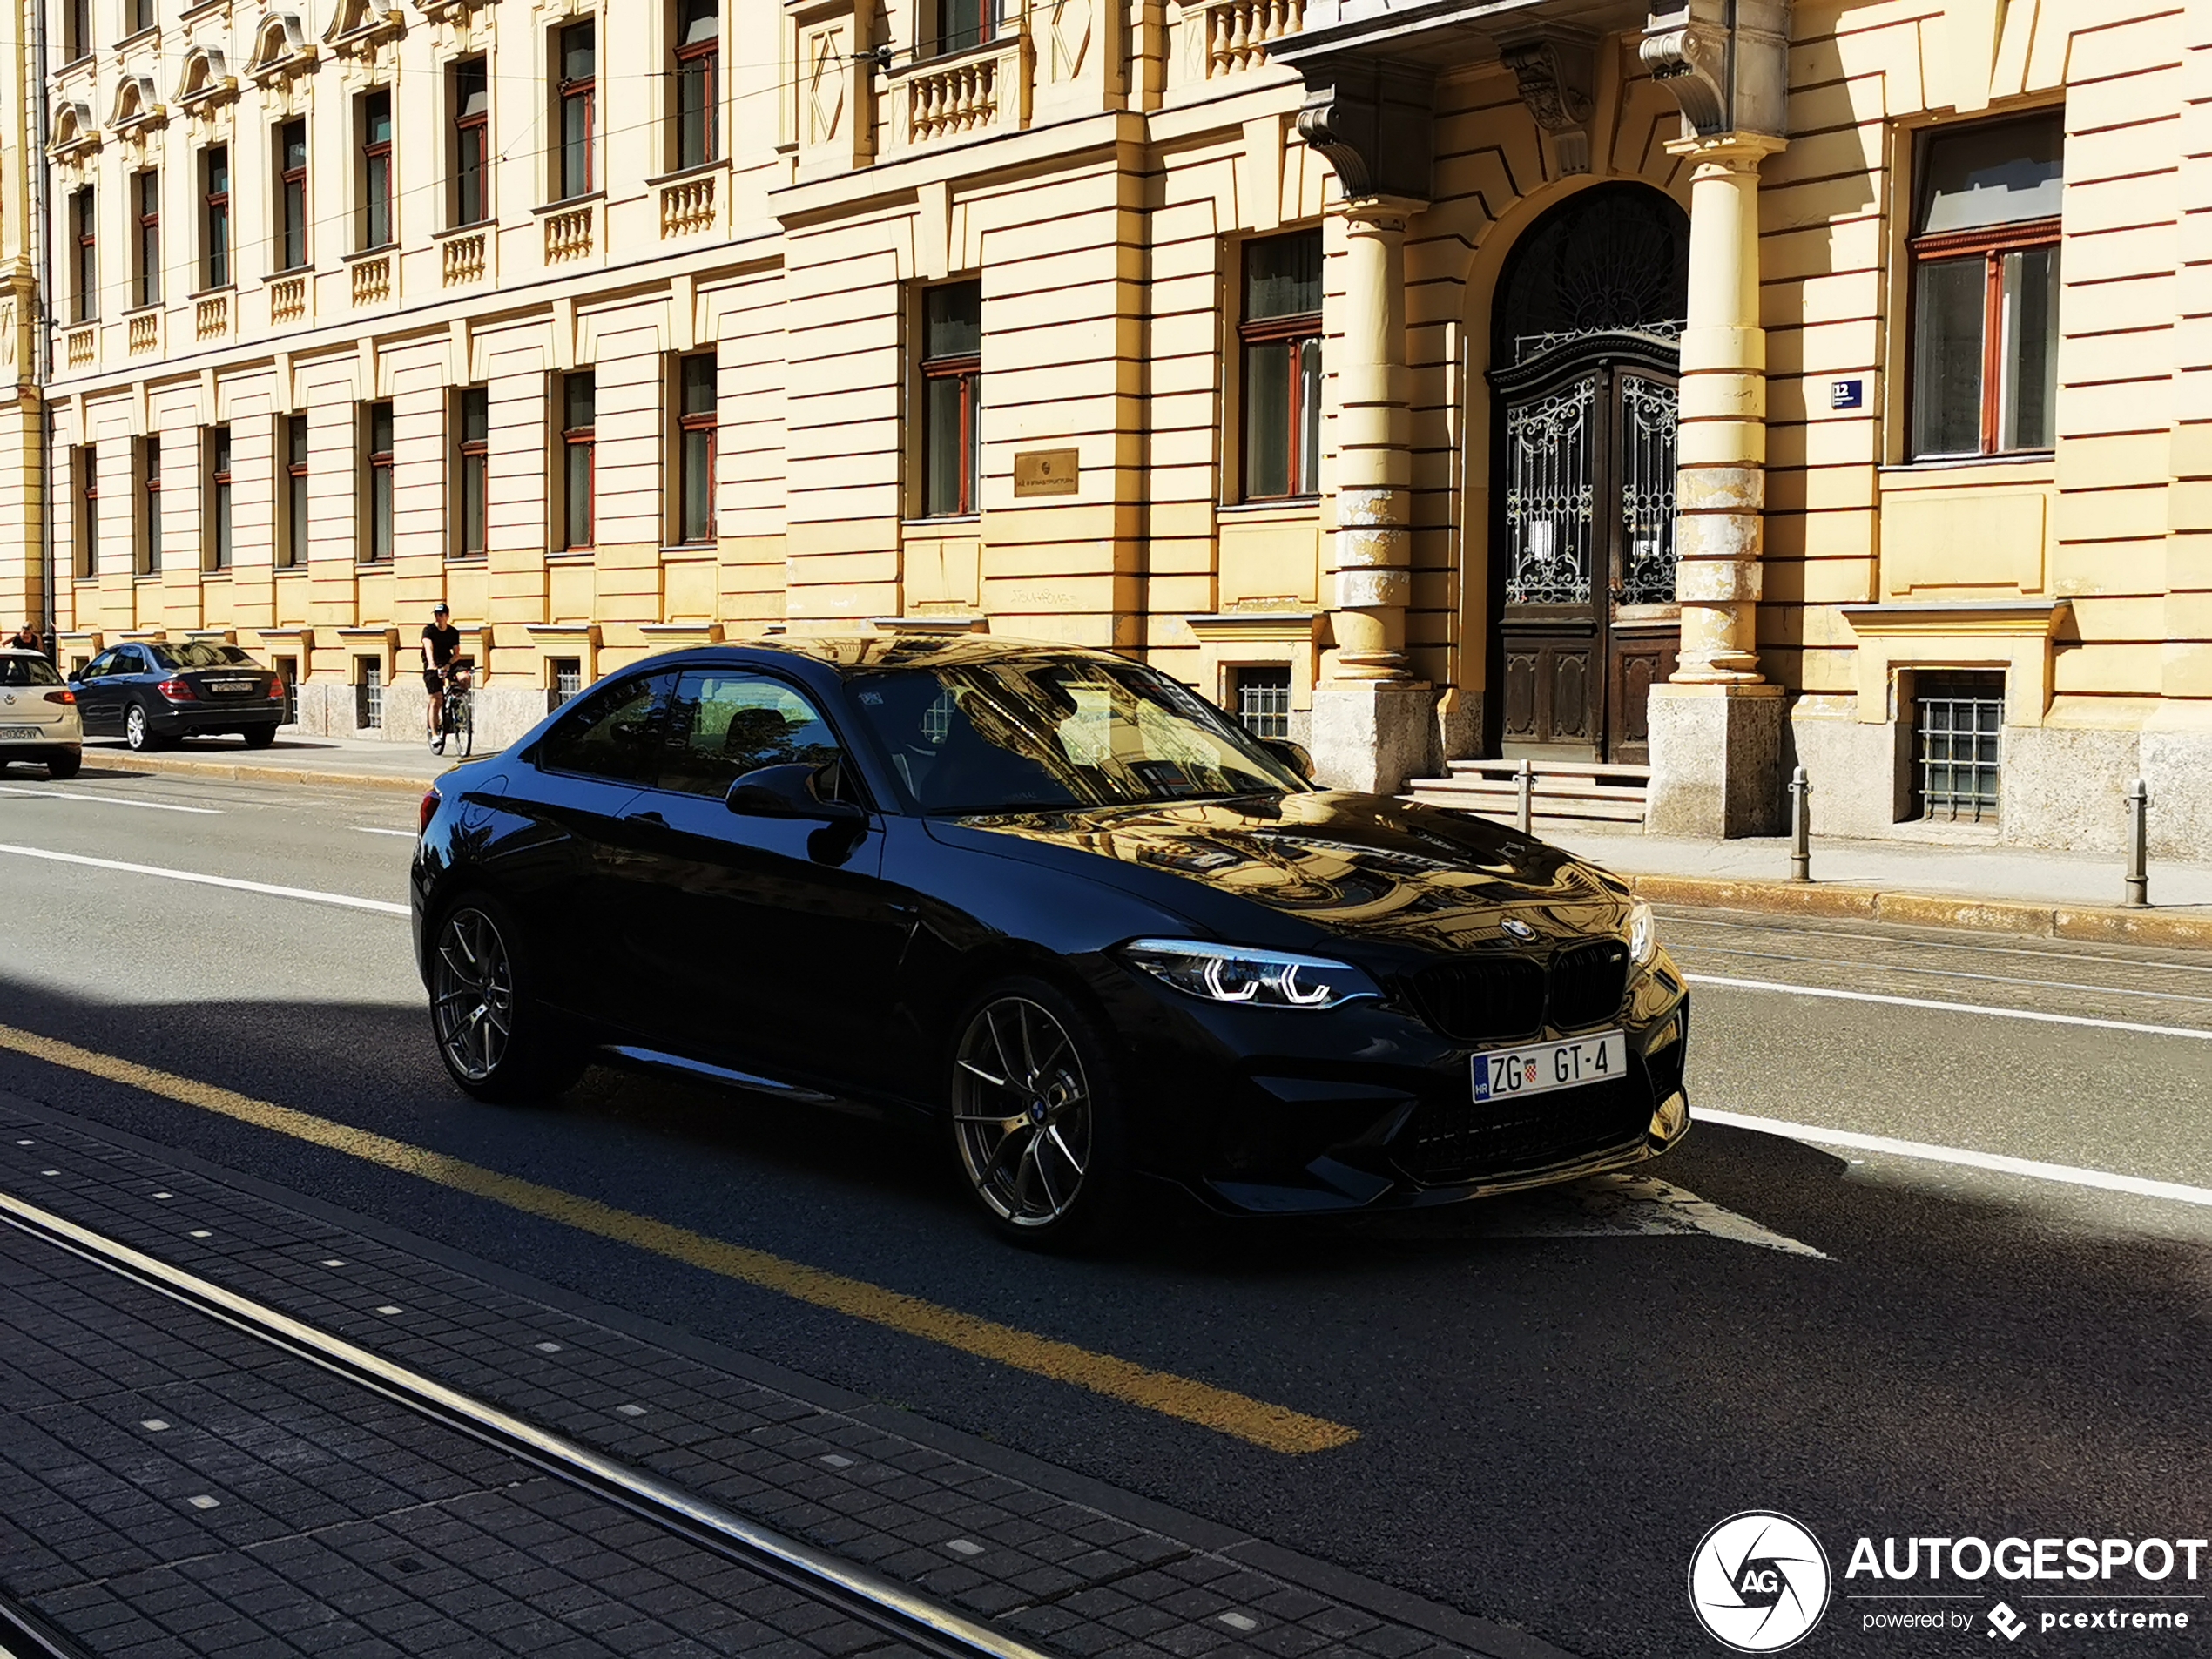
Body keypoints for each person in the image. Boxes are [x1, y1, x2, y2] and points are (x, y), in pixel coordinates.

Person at [421, 604, 462, 740]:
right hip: (432, 666)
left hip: (448, 663)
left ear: (447, 616)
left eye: (441, 615)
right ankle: (434, 734)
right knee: (436, 699)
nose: (438, 617)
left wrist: (449, 665)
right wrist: (432, 663)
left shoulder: (453, 632)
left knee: (465, 677)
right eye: (436, 615)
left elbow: (457, 654)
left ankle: (458, 704)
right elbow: (428, 647)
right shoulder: (429, 630)